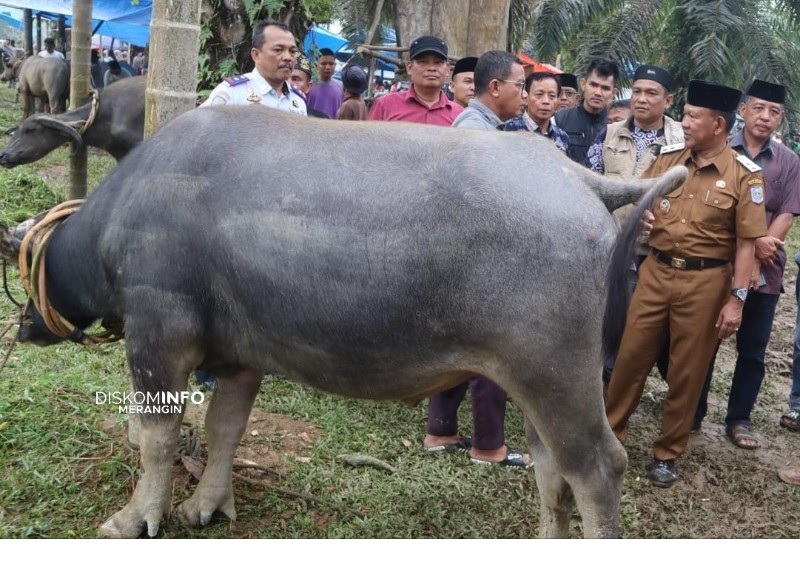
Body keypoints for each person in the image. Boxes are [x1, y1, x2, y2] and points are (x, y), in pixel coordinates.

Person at [605, 79, 768, 488]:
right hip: (656, 272)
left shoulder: (744, 176)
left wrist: (737, 301)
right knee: (629, 359)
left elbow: (747, 246)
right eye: (686, 114)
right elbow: (640, 195)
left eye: (693, 116)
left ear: (718, 125)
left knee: (687, 372)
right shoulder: (668, 158)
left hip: (706, 282)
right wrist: (641, 211)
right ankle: (609, 437)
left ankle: (667, 452)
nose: (685, 122)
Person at [426, 50, 530, 469]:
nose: (522, 94)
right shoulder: (478, 135)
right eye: (519, 85)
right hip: (477, 263)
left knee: (458, 346)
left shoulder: (479, 126)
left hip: (461, 261)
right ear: (495, 88)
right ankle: (489, 447)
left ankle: (441, 431)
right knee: (490, 351)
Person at [692, 80, 800, 447]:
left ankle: (739, 419)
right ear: (743, 110)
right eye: (758, 108)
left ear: (780, 118)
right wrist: (752, 245)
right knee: (706, 340)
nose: (765, 117)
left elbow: (788, 212)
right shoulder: (719, 150)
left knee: (753, 349)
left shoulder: (789, 162)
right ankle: (693, 412)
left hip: (766, 271)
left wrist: (755, 251)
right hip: (719, 260)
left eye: (773, 112)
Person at [585, 65, 684, 391]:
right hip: (612, 244)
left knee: (647, 326)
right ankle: (603, 384)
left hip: (659, 250)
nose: (642, 99)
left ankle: (632, 385)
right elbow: (591, 182)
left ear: (667, 100)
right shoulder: (610, 133)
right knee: (608, 316)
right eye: (637, 91)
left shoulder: (682, 142)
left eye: (651, 93)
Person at [201, 20, 306, 116]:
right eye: (278, 50)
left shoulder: (298, 101)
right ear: (256, 55)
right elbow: (200, 128)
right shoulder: (232, 93)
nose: (288, 57)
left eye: (292, 51)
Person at [367, 35, 462, 125]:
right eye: (423, 62)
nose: (432, 68)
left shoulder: (459, 115)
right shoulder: (385, 105)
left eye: (438, 62)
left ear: (447, 69)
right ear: (409, 68)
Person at [554, 59, 619, 164]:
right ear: (583, 84)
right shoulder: (559, 119)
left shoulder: (618, 126)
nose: (598, 93)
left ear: (614, 93)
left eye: (605, 88)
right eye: (593, 85)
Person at [504, 71, 569, 154]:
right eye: (539, 94)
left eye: (552, 96)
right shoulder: (508, 130)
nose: (546, 101)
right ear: (526, 96)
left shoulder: (562, 137)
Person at [306, 47, 343, 119]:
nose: (328, 67)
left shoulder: (340, 88)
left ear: (335, 65)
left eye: (331, 64)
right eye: (323, 63)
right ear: (317, 65)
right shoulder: (308, 86)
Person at [289, 52, 327, 118]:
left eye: (296, 79)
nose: (289, 83)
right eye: (284, 78)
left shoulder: (319, 120)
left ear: (308, 87)